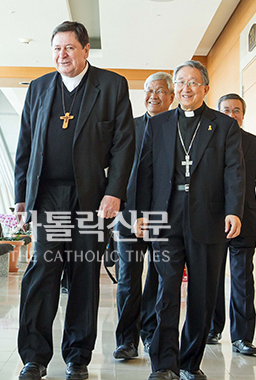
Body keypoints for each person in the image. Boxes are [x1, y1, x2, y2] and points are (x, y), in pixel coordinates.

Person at [14, 21, 135, 380]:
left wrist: (114, 192)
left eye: (69, 48)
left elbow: (124, 144)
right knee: (42, 271)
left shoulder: (111, 85)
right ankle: (34, 357)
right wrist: (22, 196)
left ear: (85, 49)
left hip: (91, 197)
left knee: (84, 273)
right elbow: (24, 145)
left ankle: (78, 357)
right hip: (48, 194)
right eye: (56, 49)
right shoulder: (38, 88)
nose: (61, 55)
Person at [134, 60, 245, 380]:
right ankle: (163, 364)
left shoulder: (224, 126)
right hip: (165, 216)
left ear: (205, 88)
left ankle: (189, 362)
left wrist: (233, 210)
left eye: (193, 82)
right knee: (165, 291)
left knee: (203, 293)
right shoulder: (159, 124)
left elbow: (233, 171)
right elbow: (145, 173)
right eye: (180, 82)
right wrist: (140, 215)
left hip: (207, 217)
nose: (185, 88)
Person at [206, 94, 256, 355]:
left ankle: (242, 338)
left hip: (245, 221)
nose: (231, 114)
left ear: (243, 115)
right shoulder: (208, 141)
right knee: (212, 277)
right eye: (226, 110)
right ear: (218, 113)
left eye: (236, 110)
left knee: (242, 279)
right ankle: (213, 328)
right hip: (212, 220)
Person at [113, 72, 175, 359]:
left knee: (157, 280)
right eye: (149, 90)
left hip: (165, 218)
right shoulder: (130, 128)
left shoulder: (179, 130)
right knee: (127, 279)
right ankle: (126, 340)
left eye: (161, 91)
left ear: (172, 97)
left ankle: (150, 335)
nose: (153, 95)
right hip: (128, 217)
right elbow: (121, 175)